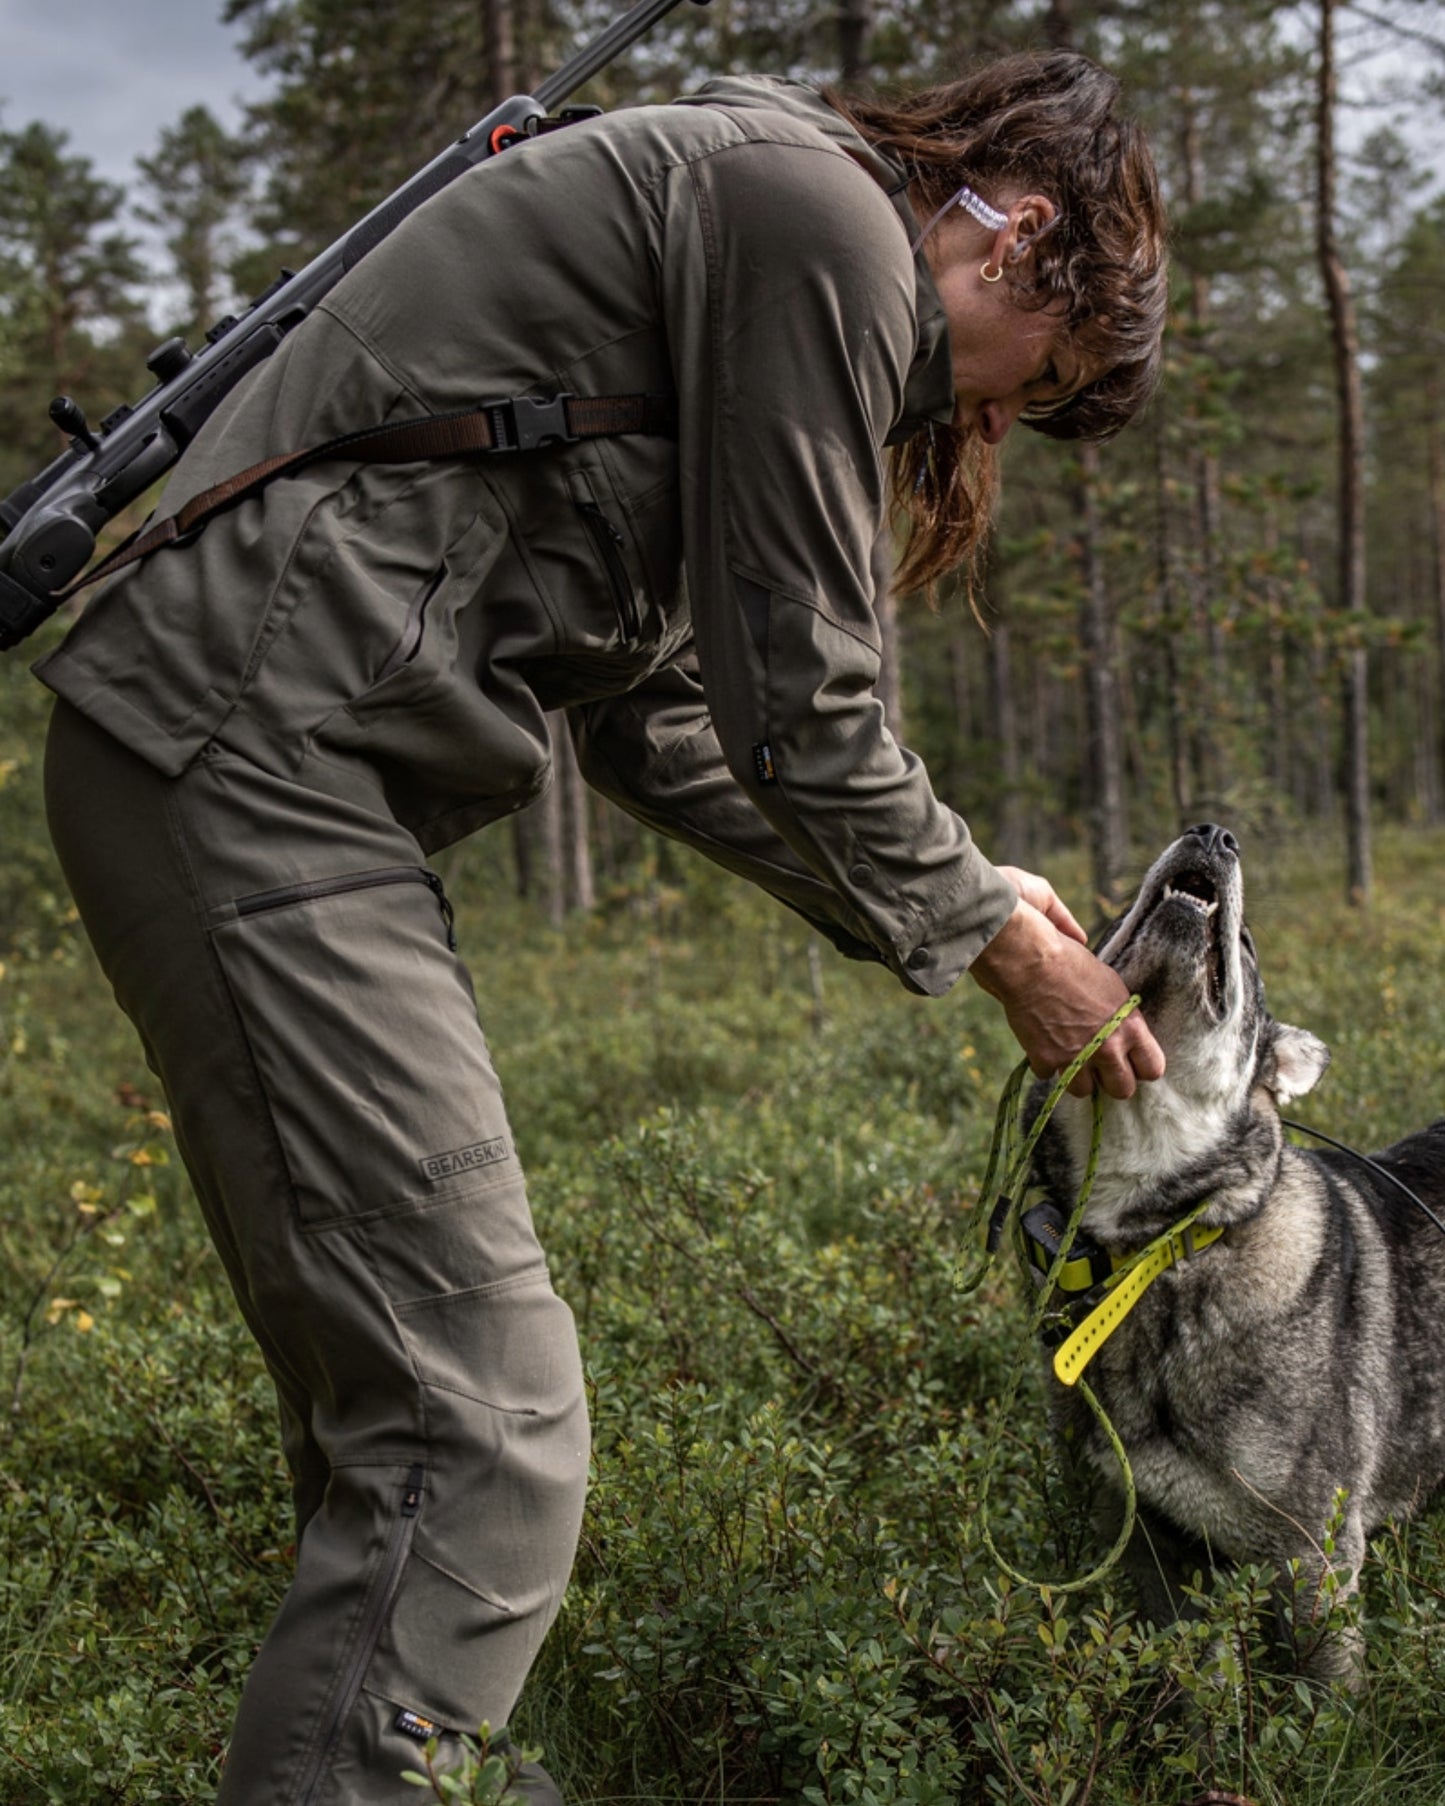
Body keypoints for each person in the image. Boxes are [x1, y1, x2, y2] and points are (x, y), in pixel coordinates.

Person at [36, 46, 1167, 1805]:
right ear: (1023, 239)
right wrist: (1003, 946)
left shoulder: (755, 229)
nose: (996, 422)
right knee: (478, 1432)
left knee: (396, 1426)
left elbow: (671, 719)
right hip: (251, 752)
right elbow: (800, 696)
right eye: (1042, 384)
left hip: (256, 762)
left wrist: (959, 903)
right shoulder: (818, 225)